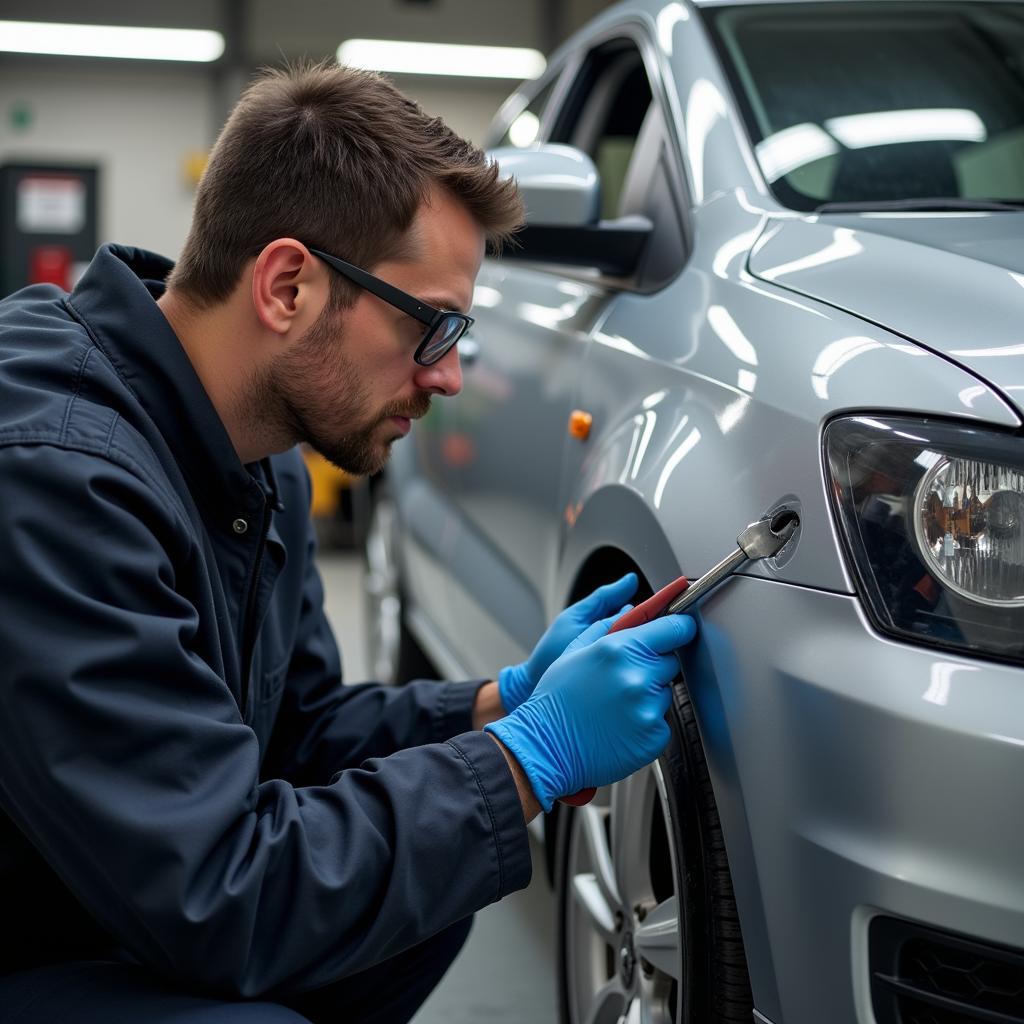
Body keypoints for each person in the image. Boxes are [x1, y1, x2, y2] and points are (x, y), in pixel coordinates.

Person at [0, 62, 696, 1023]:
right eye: (433, 326)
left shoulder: (260, 451)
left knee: (428, 893)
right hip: (38, 938)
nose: (449, 377)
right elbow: (219, 894)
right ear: (288, 285)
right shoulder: (51, 475)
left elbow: (292, 736)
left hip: (109, 888)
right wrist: (524, 762)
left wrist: (497, 705)